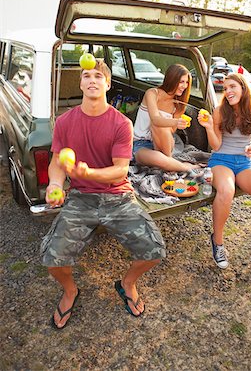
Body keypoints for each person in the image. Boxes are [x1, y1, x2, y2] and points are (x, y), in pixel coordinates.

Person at [41, 59, 166, 329]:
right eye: (86, 76)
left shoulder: (121, 123)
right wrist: (54, 185)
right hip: (81, 197)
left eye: (98, 76)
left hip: (117, 196)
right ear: (81, 84)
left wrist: (90, 173)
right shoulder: (64, 122)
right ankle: (71, 291)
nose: (92, 80)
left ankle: (127, 283)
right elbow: (57, 163)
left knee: (154, 251)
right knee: (52, 257)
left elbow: (120, 171)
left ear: (108, 83)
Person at [198, 73, 251, 274]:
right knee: (226, 190)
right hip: (221, 160)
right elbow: (216, 145)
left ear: (243, 87)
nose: (228, 91)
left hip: (244, 162)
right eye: (225, 88)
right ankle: (218, 242)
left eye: (232, 86)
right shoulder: (220, 111)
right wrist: (208, 127)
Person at [133, 64, 201, 172]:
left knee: (162, 127)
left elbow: (171, 132)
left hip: (165, 144)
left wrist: (175, 124)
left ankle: (169, 162)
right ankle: (185, 167)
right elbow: (155, 119)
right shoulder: (152, 93)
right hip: (140, 144)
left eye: (187, 82)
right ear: (172, 79)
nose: (185, 86)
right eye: (181, 82)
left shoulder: (178, 105)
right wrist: (175, 121)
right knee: (157, 125)